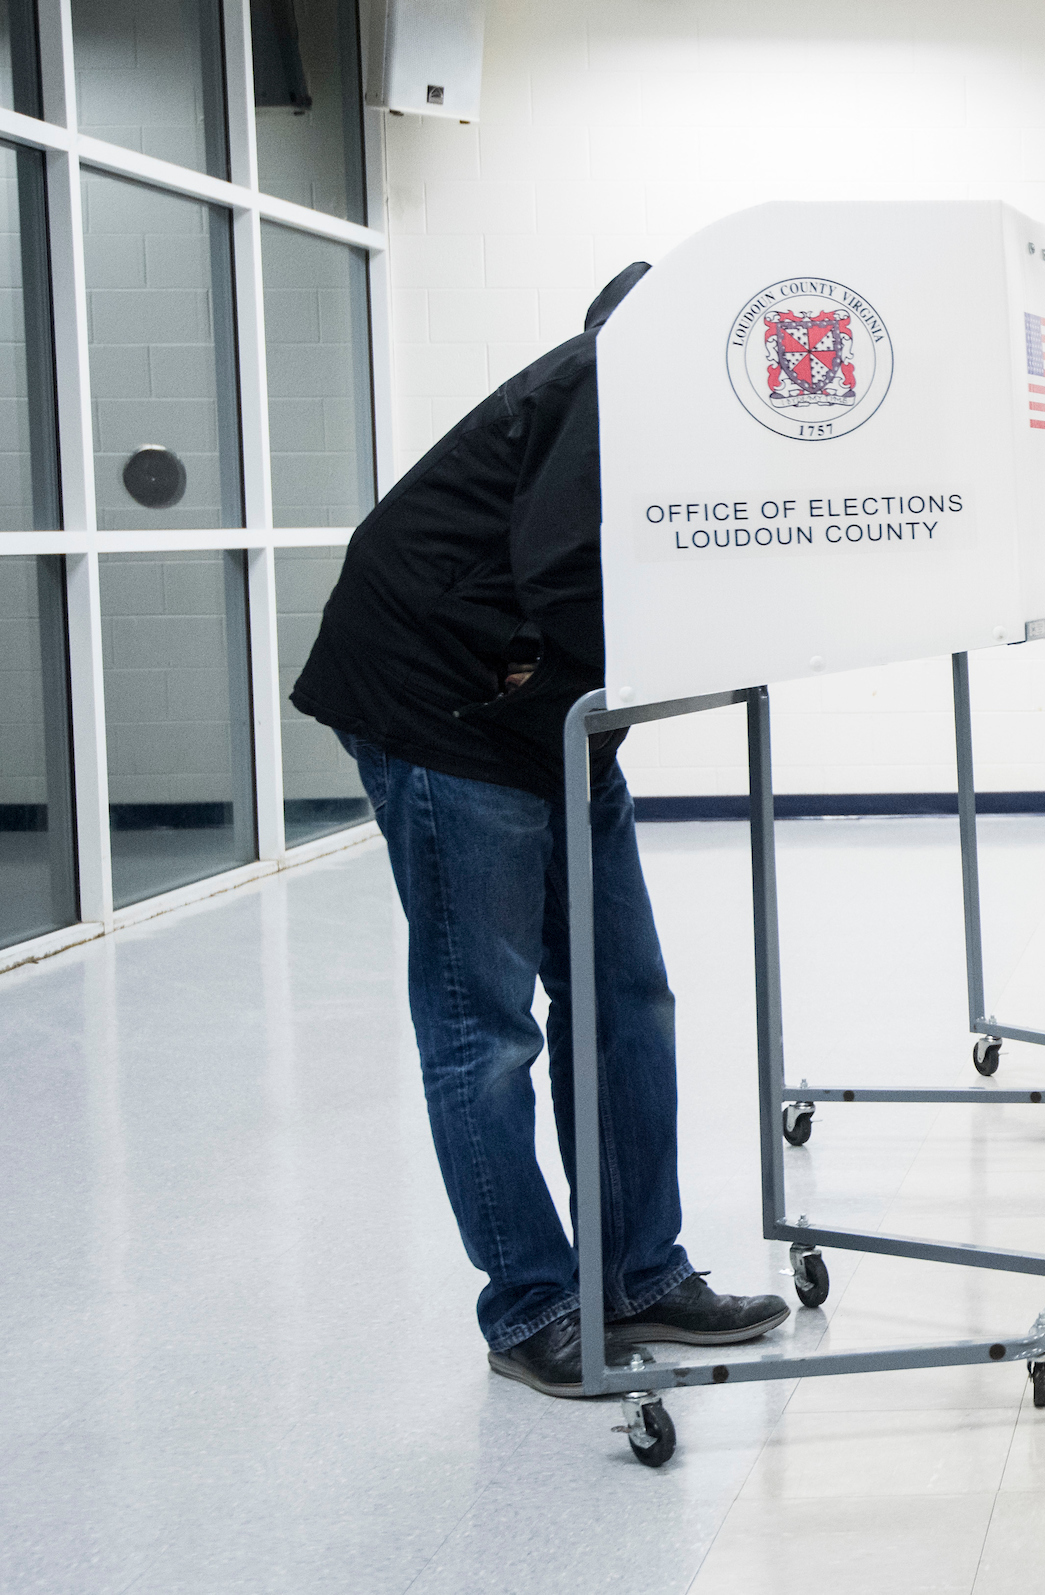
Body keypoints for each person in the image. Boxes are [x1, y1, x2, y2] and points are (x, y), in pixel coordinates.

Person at [291, 263, 789, 1399]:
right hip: (443, 709)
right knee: (486, 1024)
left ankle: (637, 1272)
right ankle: (530, 1301)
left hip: (549, 716)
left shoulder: (673, 415)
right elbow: (567, 571)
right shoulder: (610, 384)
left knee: (626, 993)